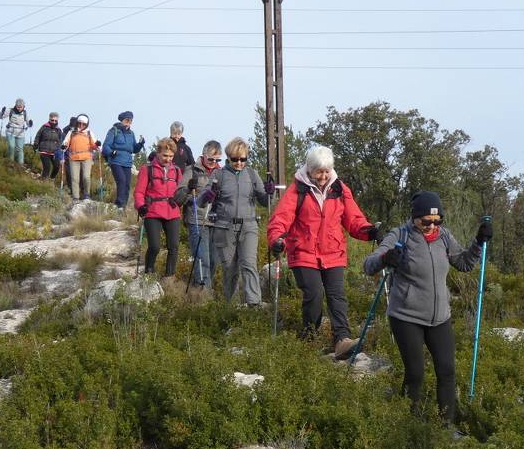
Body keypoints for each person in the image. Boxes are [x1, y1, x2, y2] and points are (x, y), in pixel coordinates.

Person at [364, 191, 490, 423]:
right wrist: (386, 258)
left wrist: (478, 242)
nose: (432, 226)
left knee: (447, 371)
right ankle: (408, 425)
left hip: (440, 317)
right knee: (415, 373)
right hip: (406, 316)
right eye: (426, 222)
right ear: (414, 218)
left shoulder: (444, 237)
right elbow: (369, 265)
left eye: (437, 221)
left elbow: (464, 263)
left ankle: (447, 427)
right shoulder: (399, 235)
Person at [267, 144, 378, 357]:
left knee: (337, 295)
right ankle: (309, 339)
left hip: (333, 252)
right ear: (310, 169)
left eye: (327, 171)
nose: (323, 176)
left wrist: (368, 231)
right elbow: (281, 219)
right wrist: (276, 239)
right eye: (319, 171)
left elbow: (354, 219)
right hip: (303, 253)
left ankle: (342, 341)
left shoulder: (339, 189)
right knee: (314, 294)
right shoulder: (297, 189)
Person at [204, 137, 272, 306]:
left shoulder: (251, 173)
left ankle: (254, 304)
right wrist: (207, 196)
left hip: (248, 226)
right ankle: (231, 306)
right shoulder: (218, 175)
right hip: (224, 227)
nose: (239, 163)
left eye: (243, 159)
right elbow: (201, 201)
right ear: (228, 158)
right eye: (235, 159)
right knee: (229, 269)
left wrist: (270, 194)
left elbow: (265, 201)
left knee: (249, 264)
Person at [134, 137, 185, 276]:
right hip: (152, 212)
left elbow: (181, 190)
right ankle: (149, 272)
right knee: (155, 246)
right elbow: (139, 192)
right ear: (158, 153)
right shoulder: (147, 169)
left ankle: (169, 277)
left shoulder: (176, 171)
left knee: (174, 247)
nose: (168, 159)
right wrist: (140, 206)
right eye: (165, 155)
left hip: (172, 211)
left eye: (170, 156)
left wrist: (183, 196)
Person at [178, 139, 222, 288]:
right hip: (197, 220)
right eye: (211, 159)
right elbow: (178, 196)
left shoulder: (221, 173)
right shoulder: (192, 171)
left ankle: (199, 289)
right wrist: (189, 190)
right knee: (202, 260)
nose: (213, 162)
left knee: (214, 261)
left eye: (217, 160)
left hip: (216, 222)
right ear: (203, 155)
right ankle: (205, 299)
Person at [101, 110, 144, 210]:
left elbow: (134, 149)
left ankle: (123, 206)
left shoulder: (131, 134)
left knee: (127, 184)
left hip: (127, 163)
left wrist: (141, 144)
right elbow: (106, 146)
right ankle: (119, 204)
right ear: (122, 120)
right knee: (121, 181)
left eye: (130, 121)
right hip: (116, 161)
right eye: (127, 120)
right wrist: (111, 152)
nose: (128, 122)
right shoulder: (114, 130)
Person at [62, 114, 99, 201]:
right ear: (77, 123)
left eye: (84, 124)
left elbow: (94, 145)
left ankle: (86, 194)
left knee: (86, 177)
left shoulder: (89, 132)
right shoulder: (71, 132)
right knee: (74, 178)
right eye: (80, 123)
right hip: (74, 157)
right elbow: (66, 142)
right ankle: (76, 197)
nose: (81, 125)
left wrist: (97, 145)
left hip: (86, 157)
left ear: (86, 124)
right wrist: (64, 146)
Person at [33, 113, 64, 182]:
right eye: (52, 120)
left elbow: (60, 141)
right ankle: (43, 181)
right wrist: (35, 144)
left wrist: (60, 150)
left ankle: (51, 179)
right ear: (49, 119)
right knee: (47, 167)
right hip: (44, 150)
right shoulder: (44, 127)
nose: (54, 122)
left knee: (56, 167)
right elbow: (38, 136)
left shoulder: (58, 130)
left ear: (57, 120)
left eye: (55, 120)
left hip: (55, 152)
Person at [0, 98, 31, 164]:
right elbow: (1, 117)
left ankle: (20, 165)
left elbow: (28, 123)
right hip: (10, 132)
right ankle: (10, 162)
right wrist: (2, 112)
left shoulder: (25, 113)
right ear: (15, 105)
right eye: (18, 107)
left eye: (20, 107)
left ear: (23, 106)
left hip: (20, 134)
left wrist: (30, 124)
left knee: (20, 149)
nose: (19, 108)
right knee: (11, 146)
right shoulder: (10, 110)